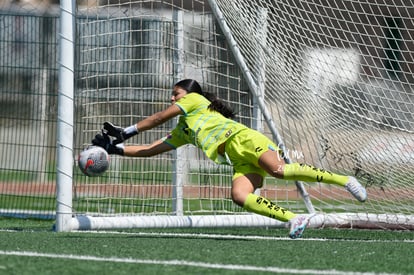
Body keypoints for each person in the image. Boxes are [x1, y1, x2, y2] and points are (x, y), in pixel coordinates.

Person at [92, 79, 367, 239]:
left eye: (175, 93)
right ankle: (294, 219)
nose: (172, 97)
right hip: (236, 158)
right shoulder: (185, 130)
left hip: (245, 140)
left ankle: (345, 180)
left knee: (279, 171)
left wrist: (124, 132)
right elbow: (151, 149)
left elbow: (158, 118)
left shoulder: (195, 100)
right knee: (238, 195)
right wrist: (114, 149)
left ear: (187, 94)